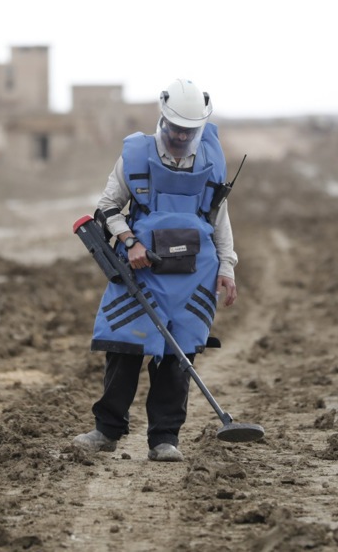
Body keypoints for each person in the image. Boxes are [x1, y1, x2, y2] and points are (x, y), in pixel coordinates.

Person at [72, 78, 239, 462]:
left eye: (189, 131)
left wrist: (227, 267)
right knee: (124, 348)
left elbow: (220, 220)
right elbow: (108, 206)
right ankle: (106, 430)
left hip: (194, 276)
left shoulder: (211, 160)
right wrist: (130, 242)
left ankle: (165, 438)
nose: (181, 135)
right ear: (163, 118)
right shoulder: (135, 156)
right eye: (176, 127)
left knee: (178, 357)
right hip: (140, 270)